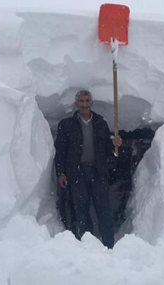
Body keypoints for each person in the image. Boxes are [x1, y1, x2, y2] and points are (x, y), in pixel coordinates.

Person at [54, 89, 122, 249]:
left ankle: (109, 246)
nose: (84, 104)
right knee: (81, 211)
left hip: (98, 172)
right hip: (76, 173)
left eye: (87, 101)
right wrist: (61, 173)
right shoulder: (66, 125)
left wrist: (115, 145)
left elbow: (108, 150)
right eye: (81, 101)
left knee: (103, 210)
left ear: (91, 103)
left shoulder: (100, 123)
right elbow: (61, 151)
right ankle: (88, 247)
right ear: (76, 104)